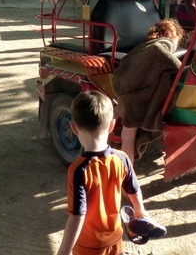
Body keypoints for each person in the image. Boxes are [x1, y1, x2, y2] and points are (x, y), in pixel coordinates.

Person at [57, 91, 148, 255]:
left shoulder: (78, 170)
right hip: (115, 239)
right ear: (112, 126)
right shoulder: (122, 158)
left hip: (89, 247)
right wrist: (140, 211)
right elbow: (134, 189)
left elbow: (77, 216)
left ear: (73, 128)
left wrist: (64, 251)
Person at [112, 19, 185, 162]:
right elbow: (178, 68)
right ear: (171, 35)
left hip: (122, 86)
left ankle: (126, 172)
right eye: (178, 39)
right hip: (135, 93)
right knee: (129, 137)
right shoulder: (163, 46)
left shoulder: (144, 45)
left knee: (128, 136)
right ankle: (127, 172)